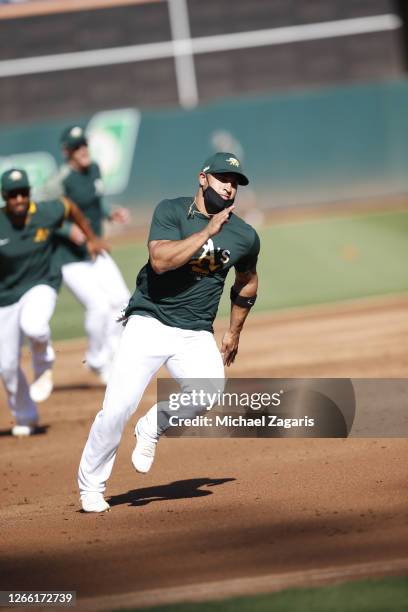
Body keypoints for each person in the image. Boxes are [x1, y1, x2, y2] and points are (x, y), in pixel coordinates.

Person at [78, 152, 260, 512]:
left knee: (209, 390)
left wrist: (234, 331)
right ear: (203, 178)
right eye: (223, 178)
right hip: (149, 321)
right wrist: (207, 233)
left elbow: (247, 282)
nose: (230, 186)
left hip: (194, 331)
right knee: (116, 409)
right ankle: (91, 487)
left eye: (236, 182)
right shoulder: (171, 211)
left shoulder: (244, 235)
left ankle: (153, 425)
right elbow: (160, 261)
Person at [0, 168, 108, 436]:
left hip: (41, 283)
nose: (19, 199)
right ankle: (26, 416)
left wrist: (91, 238)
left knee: (35, 326)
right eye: (13, 194)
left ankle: (43, 365)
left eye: (23, 192)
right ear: (4, 196)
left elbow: (69, 207)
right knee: (6, 365)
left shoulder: (44, 212)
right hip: (5, 297)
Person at [48, 125, 130, 383]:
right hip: (69, 258)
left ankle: (113, 354)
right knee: (99, 306)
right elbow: (44, 215)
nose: (82, 150)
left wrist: (109, 212)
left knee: (124, 301)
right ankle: (96, 360)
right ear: (66, 152)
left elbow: (96, 201)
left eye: (84, 144)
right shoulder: (60, 181)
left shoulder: (93, 169)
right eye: (76, 147)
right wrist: (67, 229)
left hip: (95, 249)